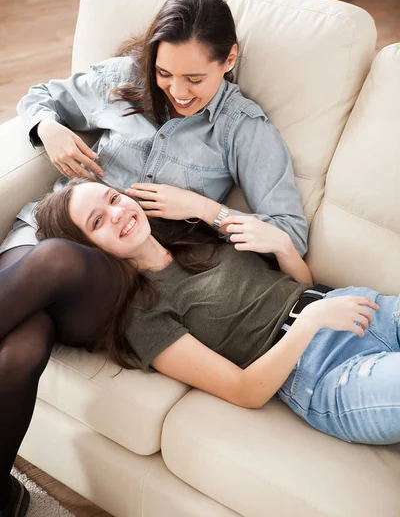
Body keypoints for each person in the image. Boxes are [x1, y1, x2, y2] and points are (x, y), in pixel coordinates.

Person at [0, 0, 308, 516]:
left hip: (109, 282)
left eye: (195, 79)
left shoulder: (241, 129)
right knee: (20, 352)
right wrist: (48, 128)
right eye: (165, 74)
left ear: (228, 59)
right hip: (42, 235)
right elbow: (40, 97)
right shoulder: (120, 79)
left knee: (62, 260)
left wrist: (204, 209)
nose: (177, 92)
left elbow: (287, 235)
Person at [24, 177, 398, 450]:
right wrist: (311, 321)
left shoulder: (193, 237)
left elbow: (297, 289)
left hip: (362, 307)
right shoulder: (139, 317)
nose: (118, 213)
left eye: (113, 198)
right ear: (89, 251)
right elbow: (245, 390)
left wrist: (283, 248)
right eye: (97, 221)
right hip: (324, 373)